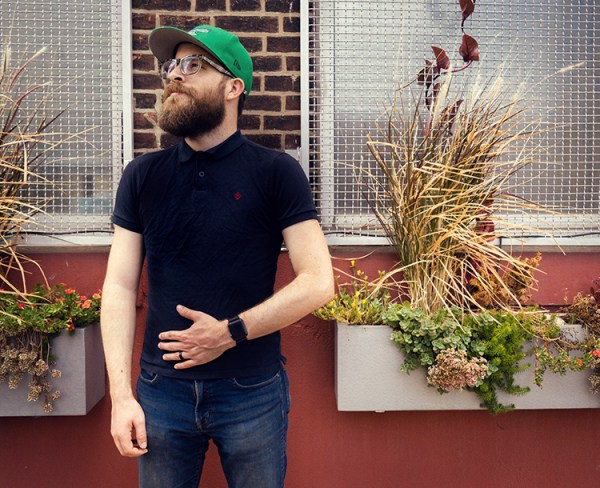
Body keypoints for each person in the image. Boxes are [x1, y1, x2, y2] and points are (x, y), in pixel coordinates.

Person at [100, 24, 334, 488]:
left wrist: (229, 333)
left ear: (233, 87)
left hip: (252, 391)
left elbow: (318, 281)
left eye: (194, 65)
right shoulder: (143, 175)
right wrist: (121, 396)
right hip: (160, 392)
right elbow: (120, 286)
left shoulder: (276, 173)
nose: (175, 75)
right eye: (172, 65)